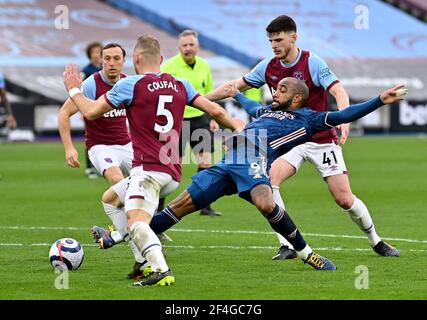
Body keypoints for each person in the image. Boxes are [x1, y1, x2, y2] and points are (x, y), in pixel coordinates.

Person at [147, 78, 404, 272]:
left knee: (266, 202)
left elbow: (344, 114)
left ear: (296, 99)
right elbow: (251, 106)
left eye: (282, 89)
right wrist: (236, 93)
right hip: (229, 160)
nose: (275, 91)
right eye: (276, 88)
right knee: (179, 206)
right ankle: (128, 235)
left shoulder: (309, 119)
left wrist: (380, 100)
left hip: (253, 157)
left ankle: (306, 254)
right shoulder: (267, 111)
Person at [205, 15, 400, 260]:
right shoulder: (267, 66)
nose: (274, 45)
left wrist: (345, 120)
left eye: (278, 39)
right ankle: (287, 244)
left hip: (319, 136)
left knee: (343, 198)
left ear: (293, 37)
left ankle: (376, 240)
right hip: (288, 140)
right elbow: (234, 87)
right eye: (271, 41)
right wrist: (199, 99)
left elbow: (337, 90)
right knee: (270, 182)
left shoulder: (313, 62)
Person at [63, 35, 241, 286]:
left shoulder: (131, 85)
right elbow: (217, 110)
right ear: (161, 59)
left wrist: (73, 89)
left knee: (137, 223)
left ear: (135, 59)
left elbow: (90, 111)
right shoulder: (181, 83)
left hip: (147, 170)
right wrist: (237, 130)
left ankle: (160, 269)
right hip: (173, 172)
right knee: (111, 199)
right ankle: (139, 258)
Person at [59, 43, 149, 279]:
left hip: (127, 145)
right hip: (101, 147)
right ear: (100, 61)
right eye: (107, 58)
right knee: (118, 183)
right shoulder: (90, 84)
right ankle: (131, 242)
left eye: (116, 58)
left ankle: (127, 231)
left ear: (123, 61)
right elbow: (63, 114)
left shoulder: (129, 82)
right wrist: (69, 148)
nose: (111, 62)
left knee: (147, 182)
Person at [160, 29, 221, 217]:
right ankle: (157, 207)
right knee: (169, 166)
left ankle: (205, 205)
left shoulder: (204, 65)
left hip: (200, 119)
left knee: (206, 161)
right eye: (184, 45)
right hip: (176, 121)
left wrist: (212, 119)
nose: (188, 48)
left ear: (198, 46)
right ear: (179, 47)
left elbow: (209, 92)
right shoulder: (168, 67)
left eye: (191, 45)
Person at [81, 42, 103, 179]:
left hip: (105, 107)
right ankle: (89, 167)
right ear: (90, 55)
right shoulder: (87, 70)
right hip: (91, 107)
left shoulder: (105, 69)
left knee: (104, 137)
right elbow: (80, 91)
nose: (97, 54)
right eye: (94, 52)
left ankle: (100, 166)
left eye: (99, 51)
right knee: (91, 136)